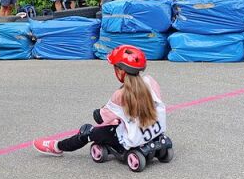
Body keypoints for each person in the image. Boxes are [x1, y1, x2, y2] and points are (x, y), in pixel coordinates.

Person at [33, 45, 166, 157]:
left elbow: (100, 118)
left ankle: (57, 146)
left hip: (131, 139)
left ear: (120, 71)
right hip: (154, 131)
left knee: (87, 131)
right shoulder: (150, 81)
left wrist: (102, 111)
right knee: (119, 121)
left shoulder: (120, 95)